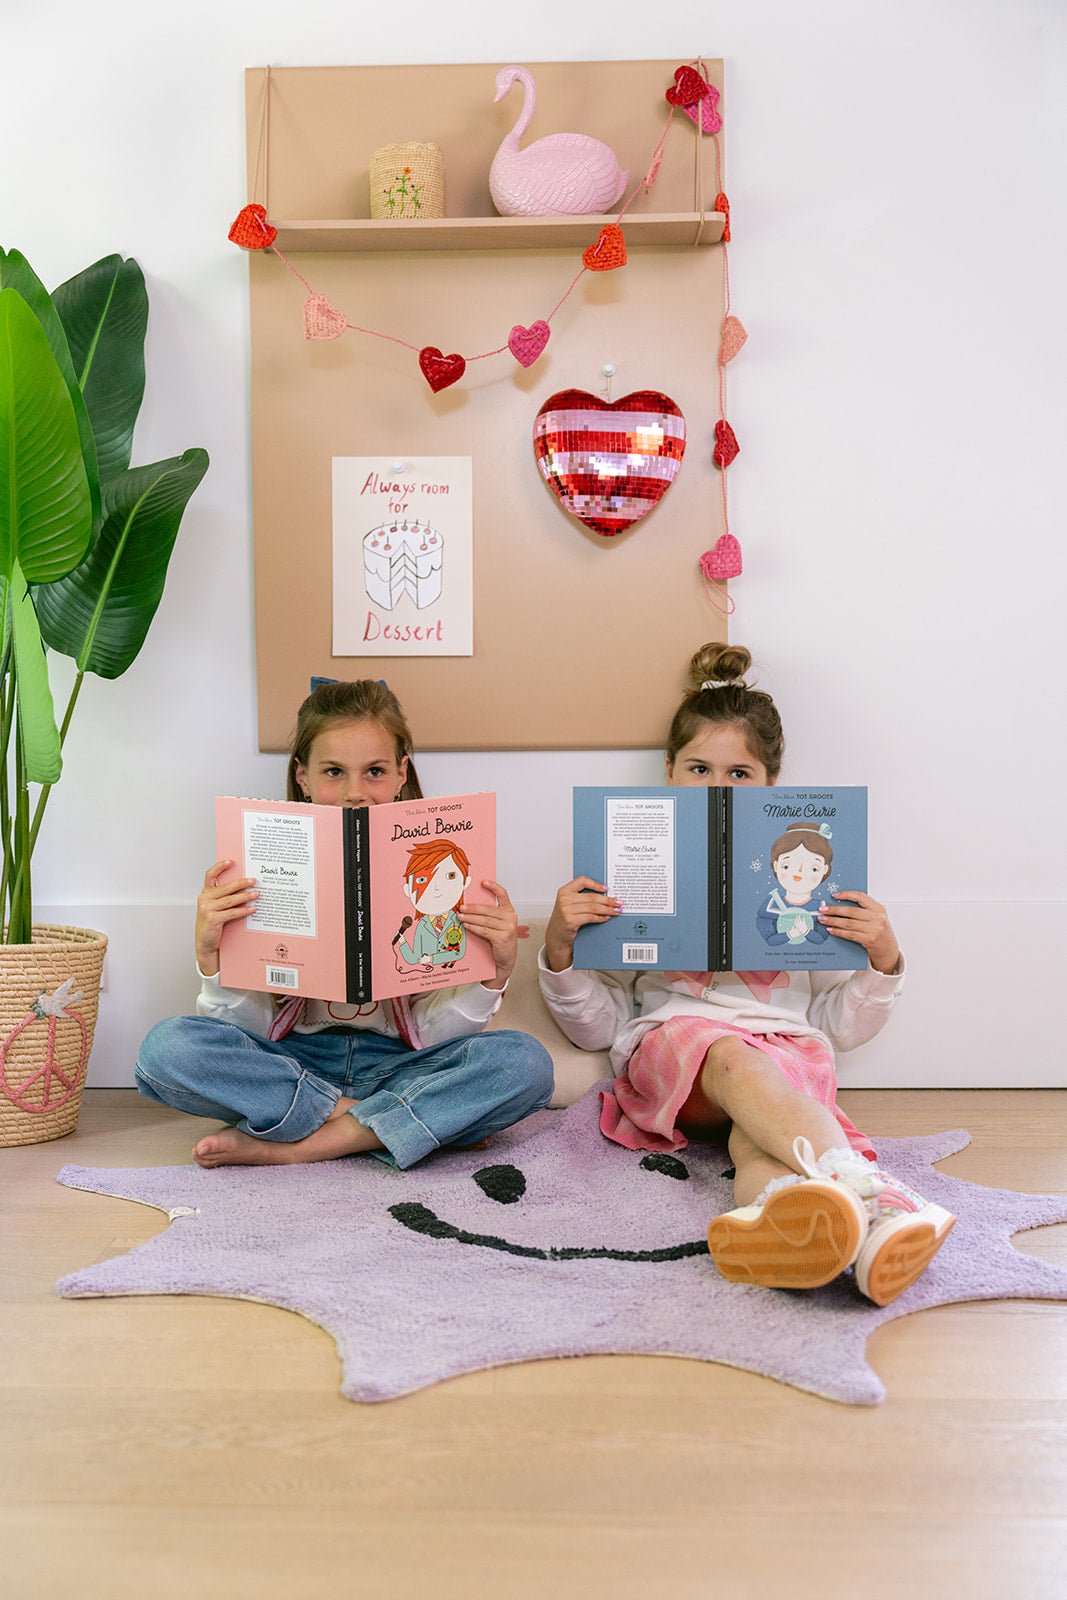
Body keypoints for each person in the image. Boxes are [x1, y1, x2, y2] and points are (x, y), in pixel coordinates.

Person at [537, 643, 955, 1306]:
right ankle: (874, 1197)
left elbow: (835, 1028)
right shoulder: (632, 866)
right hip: (675, 1055)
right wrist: (560, 947)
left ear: (769, 785)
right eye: (698, 767)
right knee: (730, 1056)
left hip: (785, 1061)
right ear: (668, 770)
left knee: (756, 1148)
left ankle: (799, 1228)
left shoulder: (805, 870)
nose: (714, 786)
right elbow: (600, 1028)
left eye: (738, 774)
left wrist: (882, 959)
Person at [135, 680, 553, 1170]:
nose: (355, 792)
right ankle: (390, 1125)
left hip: (400, 1066)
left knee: (525, 1064)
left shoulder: (433, 869)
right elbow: (252, 1029)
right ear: (303, 776)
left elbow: (432, 1036)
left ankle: (305, 1144)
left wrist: (493, 976)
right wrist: (212, 960)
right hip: (293, 1063)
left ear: (401, 774)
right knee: (167, 1050)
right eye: (334, 771)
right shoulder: (261, 861)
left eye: (374, 771)